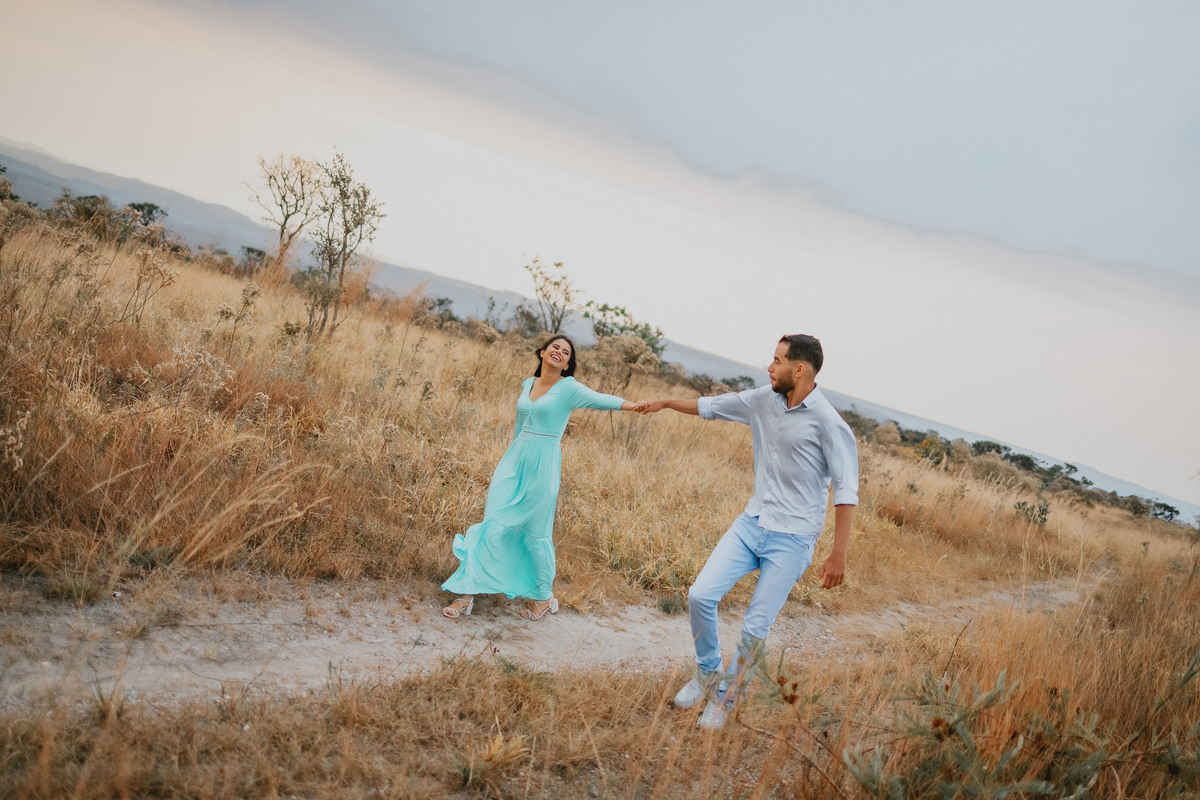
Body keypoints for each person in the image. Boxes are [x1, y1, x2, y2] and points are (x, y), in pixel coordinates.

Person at [639, 334, 858, 729]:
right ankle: (707, 674)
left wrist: (837, 554)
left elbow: (845, 491)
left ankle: (727, 698)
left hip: (793, 538)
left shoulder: (829, 422)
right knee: (700, 594)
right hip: (751, 523)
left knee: (756, 626)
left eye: (777, 360)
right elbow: (711, 406)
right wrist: (667, 402)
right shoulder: (762, 400)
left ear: (799, 369)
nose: (769, 368)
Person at [441, 334, 643, 621]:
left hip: (544, 467)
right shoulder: (528, 384)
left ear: (567, 364)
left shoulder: (568, 388)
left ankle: (543, 598)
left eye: (565, 352)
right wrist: (510, 458)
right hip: (513, 463)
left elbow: (598, 399)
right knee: (492, 524)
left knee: (535, 534)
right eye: (555, 347)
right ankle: (465, 595)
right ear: (543, 352)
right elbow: (519, 424)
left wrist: (632, 405)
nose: (559, 352)